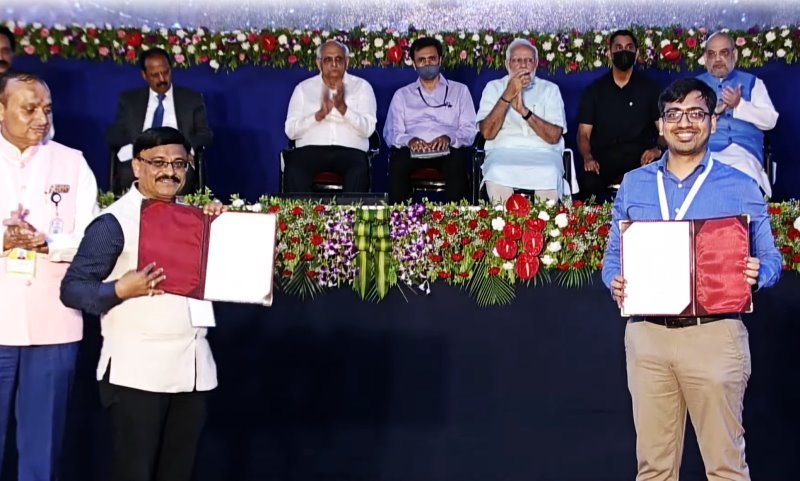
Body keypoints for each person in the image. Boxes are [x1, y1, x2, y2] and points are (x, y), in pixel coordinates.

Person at [602, 78, 782, 481]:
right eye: (675, 115)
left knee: (726, 467)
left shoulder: (740, 186)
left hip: (715, 335)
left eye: (697, 113)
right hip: (648, 337)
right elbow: (613, 256)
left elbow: (771, 256)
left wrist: (760, 272)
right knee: (653, 469)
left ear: (712, 123)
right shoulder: (635, 182)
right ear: (661, 125)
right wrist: (614, 279)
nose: (686, 123)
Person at [60, 127, 223, 481]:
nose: (170, 172)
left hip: (193, 371)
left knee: (178, 473)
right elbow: (73, 289)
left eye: (179, 163)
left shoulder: (195, 218)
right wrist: (119, 288)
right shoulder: (113, 223)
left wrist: (219, 227)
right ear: (137, 167)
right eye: (158, 162)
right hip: (137, 374)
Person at [0, 71, 99, 481]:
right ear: (1, 110)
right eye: (29, 108)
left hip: (54, 323)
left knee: (42, 451)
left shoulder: (72, 162)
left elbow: (94, 240)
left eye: (47, 108)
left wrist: (48, 243)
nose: (41, 117)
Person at [106, 48, 214, 195]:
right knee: (127, 173)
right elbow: (114, 135)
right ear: (144, 75)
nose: (162, 79)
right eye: (155, 75)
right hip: (143, 159)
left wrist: (187, 150)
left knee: (183, 175)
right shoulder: (130, 100)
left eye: (165, 72)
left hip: (176, 160)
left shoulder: (191, 99)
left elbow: (205, 134)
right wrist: (136, 146)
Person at [384, 37, 477, 203]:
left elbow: (470, 129)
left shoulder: (460, 91)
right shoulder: (402, 94)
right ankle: (401, 221)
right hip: (413, 149)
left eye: (432, 59)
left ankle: (454, 222)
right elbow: (391, 132)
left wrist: (449, 138)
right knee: (398, 164)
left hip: (448, 149)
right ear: (413, 64)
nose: (427, 64)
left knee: (457, 162)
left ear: (440, 60)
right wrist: (409, 140)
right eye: (421, 60)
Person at [476, 38, 567, 203]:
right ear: (507, 64)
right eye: (517, 60)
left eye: (528, 60)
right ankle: (502, 225)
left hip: (544, 153)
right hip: (502, 152)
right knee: (497, 170)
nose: (523, 65)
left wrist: (524, 111)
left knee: (549, 171)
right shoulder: (493, 87)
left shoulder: (550, 89)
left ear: (536, 63)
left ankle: (546, 226)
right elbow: (487, 133)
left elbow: (554, 137)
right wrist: (507, 95)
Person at [577, 29, 662, 202]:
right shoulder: (594, 90)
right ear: (610, 53)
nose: (624, 52)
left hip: (641, 158)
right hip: (603, 160)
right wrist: (588, 157)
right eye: (618, 48)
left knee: (656, 180)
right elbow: (583, 134)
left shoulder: (650, 89)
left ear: (636, 53)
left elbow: (664, 130)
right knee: (588, 182)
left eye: (629, 47)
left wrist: (657, 150)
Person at [284, 39, 377, 193]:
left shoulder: (362, 87)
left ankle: (350, 217)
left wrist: (344, 110)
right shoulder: (303, 89)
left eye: (338, 59)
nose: (334, 64)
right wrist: (317, 116)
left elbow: (368, 130)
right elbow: (290, 131)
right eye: (328, 59)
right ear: (318, 63)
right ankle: (300, 217)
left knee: (358, 170)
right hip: (310, 151)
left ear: (346, 61)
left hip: (350, 152)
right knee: (295, 167)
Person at [698, 32, 779, 197]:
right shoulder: (694, 86)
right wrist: (709, 115)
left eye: (724, 53)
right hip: (704, 153)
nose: (718, 59)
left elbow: (770, 120)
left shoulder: (753, 83)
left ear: (734, 55)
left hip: (743, 153)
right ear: (705, 59)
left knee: (741, 178)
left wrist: (739, 105)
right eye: (712, 54)